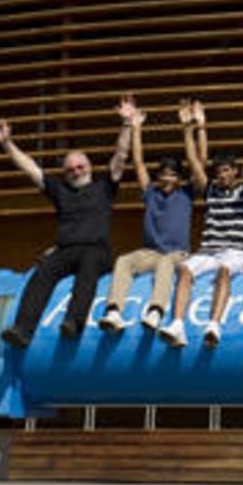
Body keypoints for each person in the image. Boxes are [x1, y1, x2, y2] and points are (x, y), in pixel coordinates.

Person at [0, 101, 130, 347]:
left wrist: (127, 124)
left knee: (88, 271)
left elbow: (120, 155)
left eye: (80, 167)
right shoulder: (60, 190)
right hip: (66, 250)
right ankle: (23, 329)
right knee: (42, 272)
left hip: (95, 249)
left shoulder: (104, 186)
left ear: (90, 167)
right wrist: (6, 143)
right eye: (70, 170)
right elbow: (30, 168)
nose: (76, 172)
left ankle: (73, 323)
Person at [161, 100, 243, 348]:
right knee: (183, 269)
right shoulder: (210, 190)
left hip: (234, 253)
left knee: (224, 271)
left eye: (227, 170)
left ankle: (214, 325)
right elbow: (194, 161)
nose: (223, 175)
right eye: (219, 172)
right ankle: (177, 325)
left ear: (235, 172)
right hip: (207, 251)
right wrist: (188, 129)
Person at [97, 104, 191, 334]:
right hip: (150, 253)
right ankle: (114, 311)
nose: (167, 178)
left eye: (172, 174)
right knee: (124, 261)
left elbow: (199, 163)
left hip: (176, 254)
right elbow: (138, 162)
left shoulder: (186, 195)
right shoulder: (151, 193)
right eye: (163, 174)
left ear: (179, 178)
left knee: (166, 263)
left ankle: (156, 312)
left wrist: (188, 127)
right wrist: (137, 127)